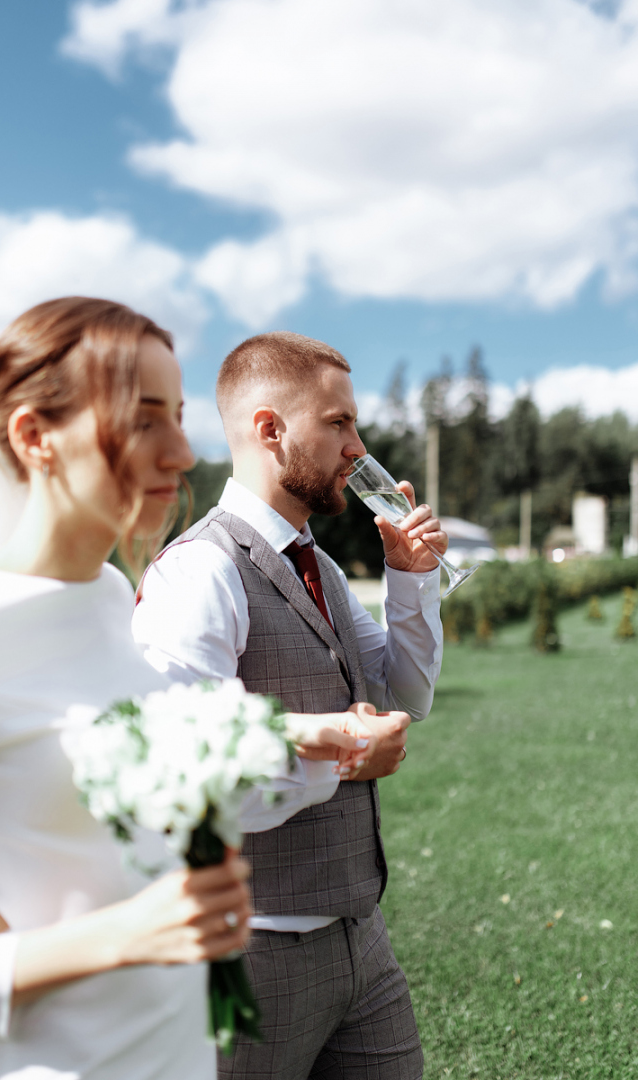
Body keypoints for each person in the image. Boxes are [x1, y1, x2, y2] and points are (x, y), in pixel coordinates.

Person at [0, 302, 373, 1080]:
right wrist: (124, 936)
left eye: (181, 417)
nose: (181, 452)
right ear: (35, 438)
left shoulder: (104, 596)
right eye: (143, 420)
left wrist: (304, 743)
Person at [132, 331, 447, 1080]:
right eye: (338, 424)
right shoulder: (200, 573)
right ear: (271, 430)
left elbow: (407, 692)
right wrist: (340, 758)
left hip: (362, 940)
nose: (357, 447)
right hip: (252, 952)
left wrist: (411, 579)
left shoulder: (326, 566)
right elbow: (187, 778)